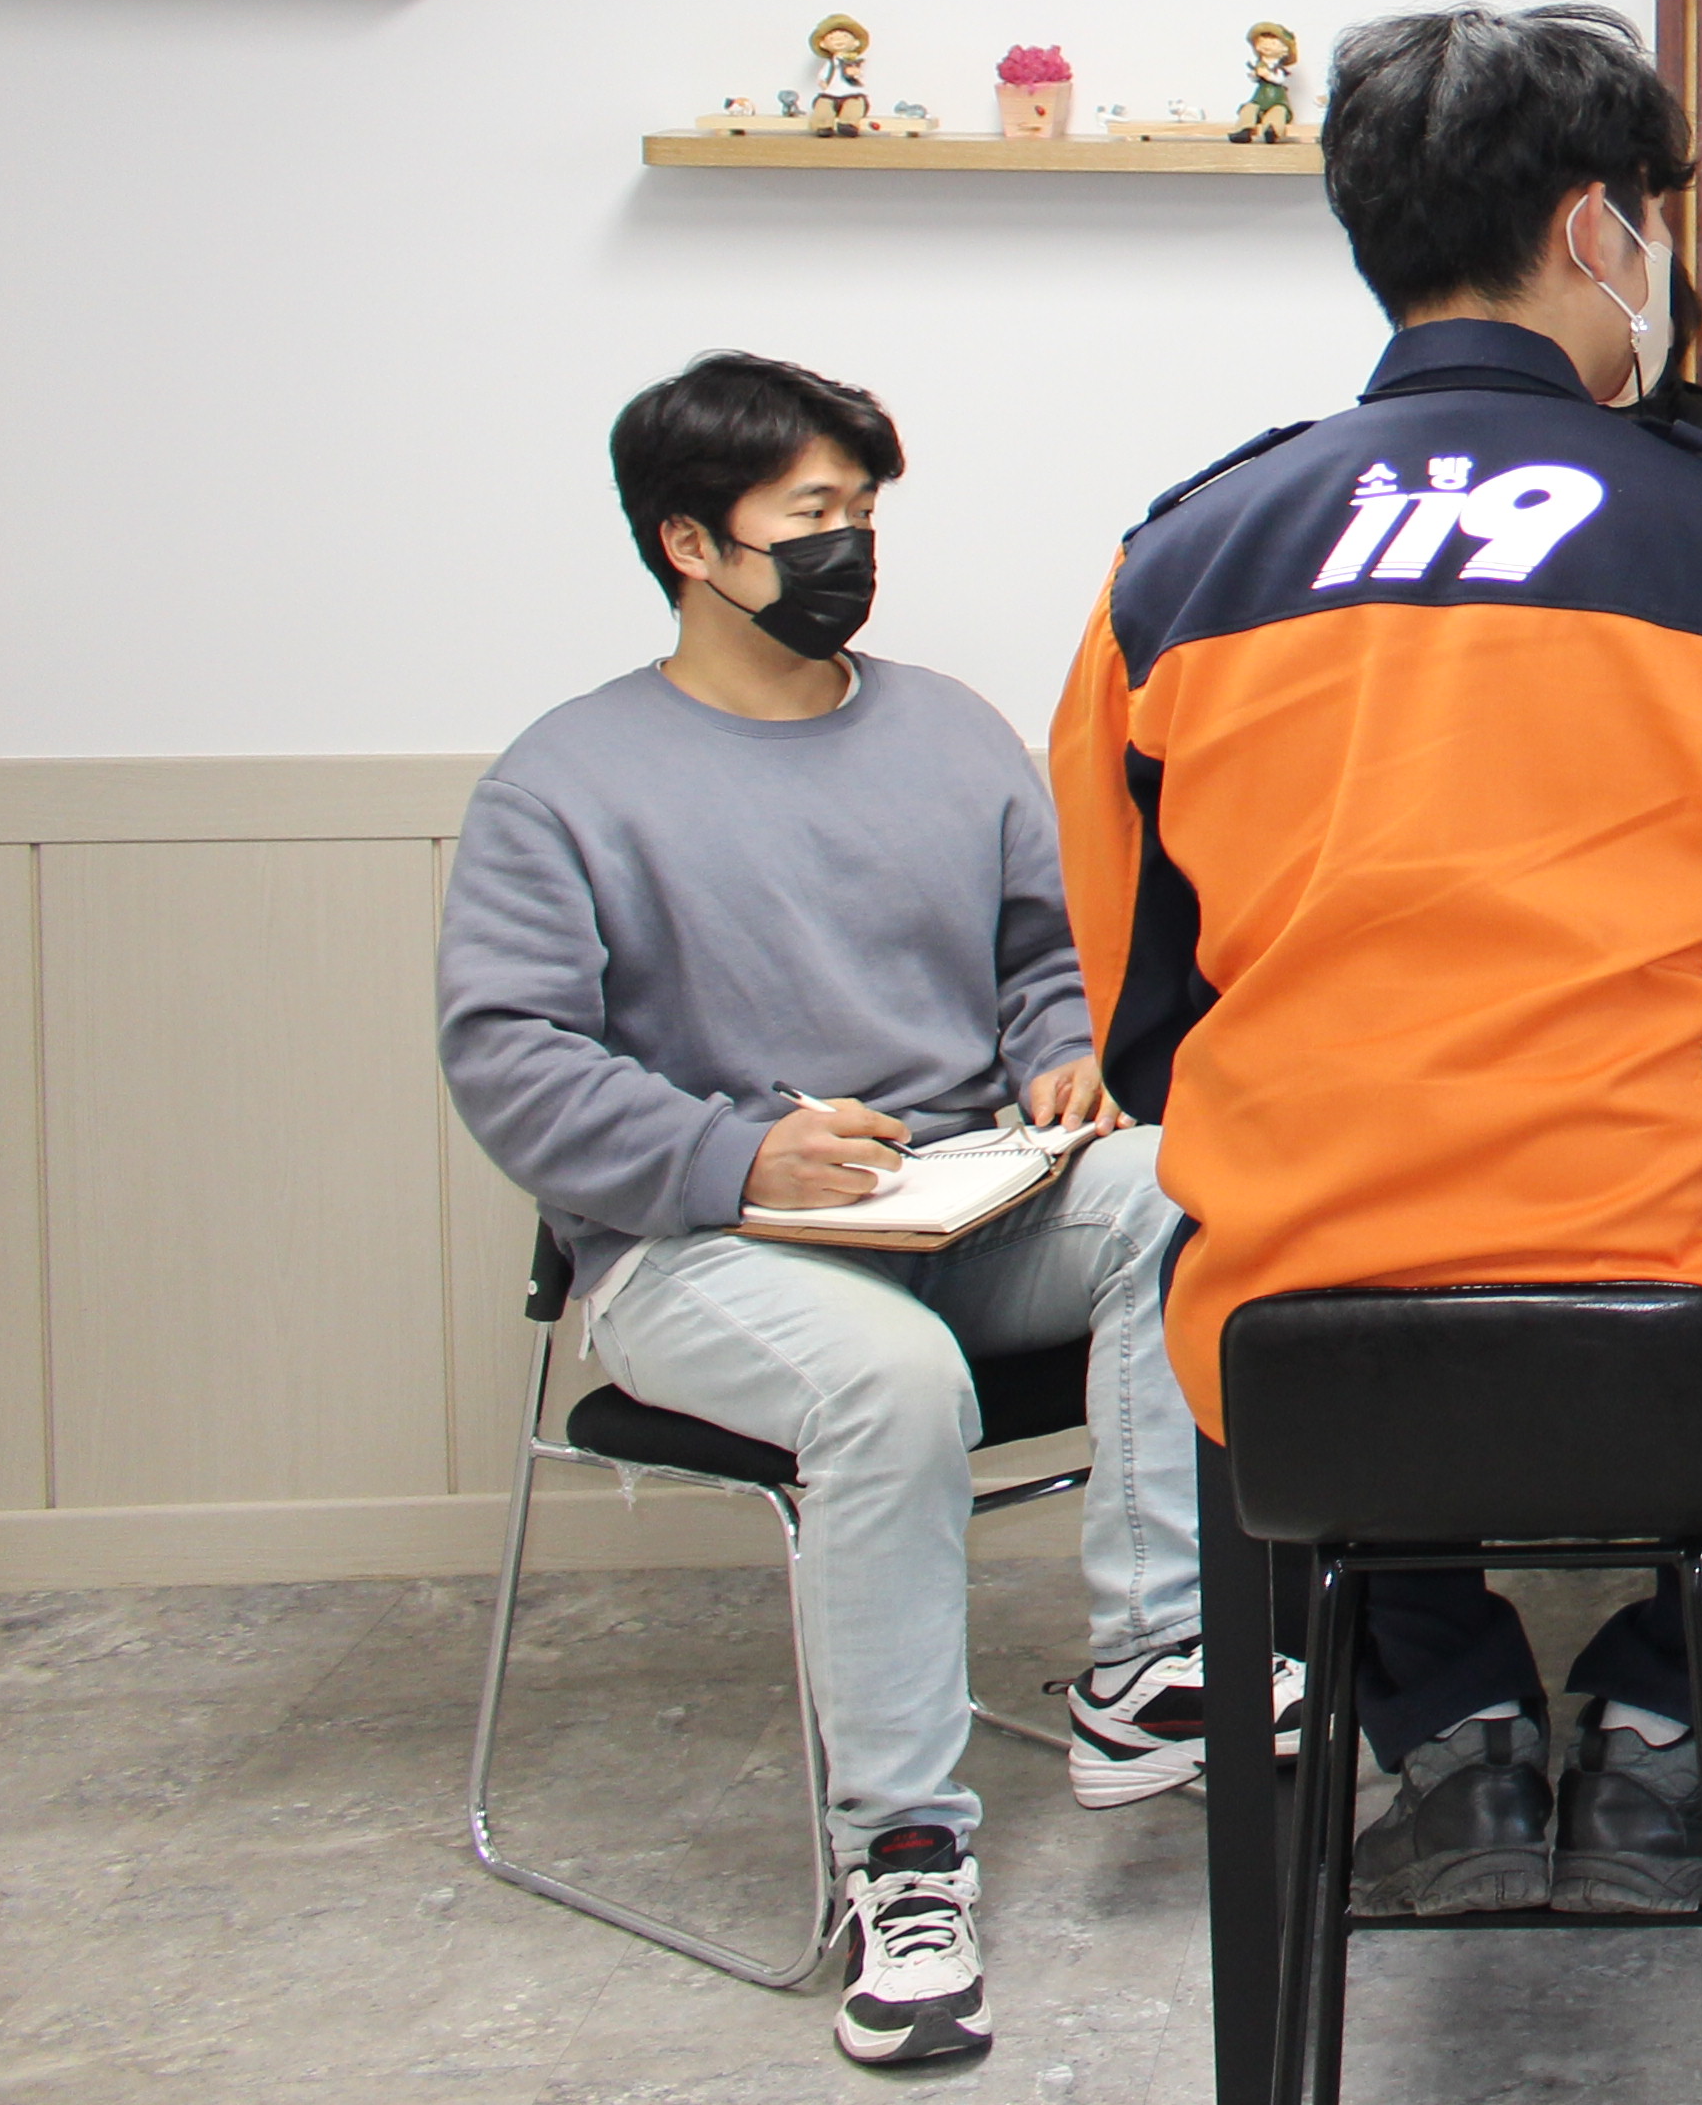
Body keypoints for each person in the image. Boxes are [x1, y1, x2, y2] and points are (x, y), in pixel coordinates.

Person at [1051, 3, 1702, 1923]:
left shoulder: (1175, 562)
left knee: (1257, 1265)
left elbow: (1139, 1030)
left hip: (1288, 1339)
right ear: (1595, 227)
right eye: (1652, 225)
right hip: (1668, 1310)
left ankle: (1449, 1737)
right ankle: (1658, 1720)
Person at [439, 353, 1235, 2074]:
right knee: (889, 1385)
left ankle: (1150, 1661)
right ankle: (906, 1857)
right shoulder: (563, 780)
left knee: (1195, 1181)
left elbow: (1043, 957)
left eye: (863, 514)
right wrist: (738, 1158)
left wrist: (1061, 1055)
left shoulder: (948, 730)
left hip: (959, 1205)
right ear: (690, 544)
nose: (849, 549)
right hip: (701, 1250)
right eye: (811, 516)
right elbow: (509, 1059)